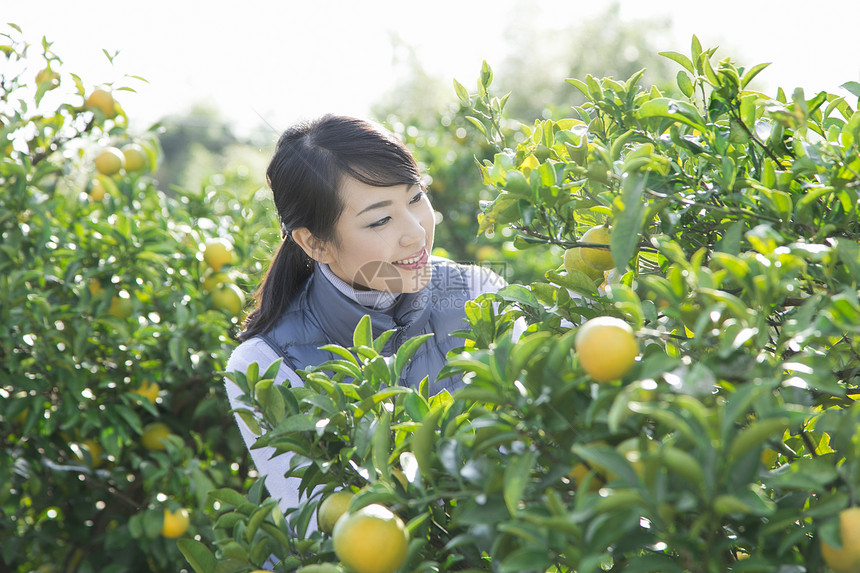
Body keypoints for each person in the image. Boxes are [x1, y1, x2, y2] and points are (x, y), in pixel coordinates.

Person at [224, 114, 506, 526]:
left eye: (415, 197)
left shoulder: (480, 293)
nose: (416, 232)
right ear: (315, 243)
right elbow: (322, 529)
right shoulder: (265, 366)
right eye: (380, 220)